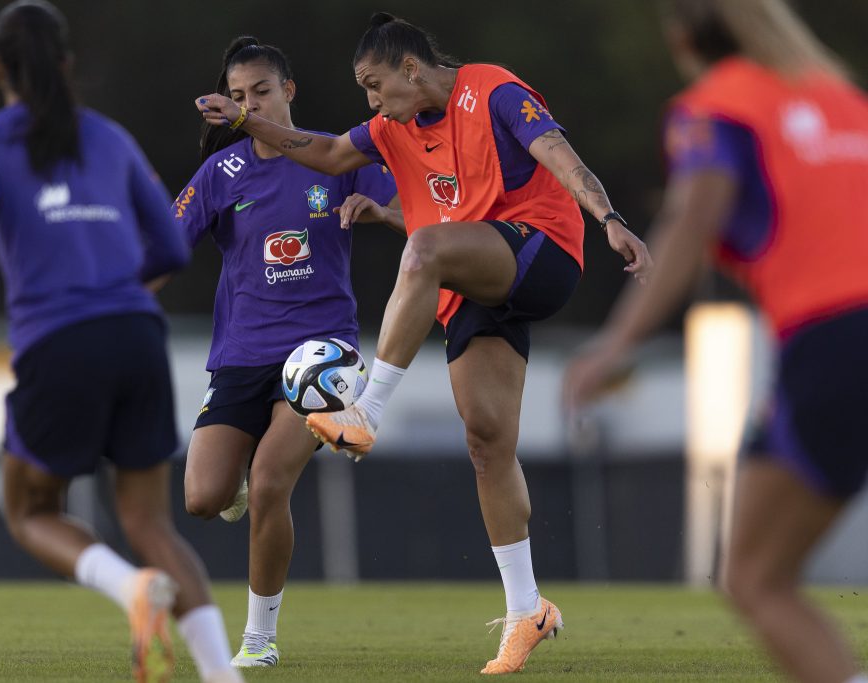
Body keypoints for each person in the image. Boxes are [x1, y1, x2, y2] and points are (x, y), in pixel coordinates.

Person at [195, 13, 652, 675]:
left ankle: (368, 409)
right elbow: (323, 152)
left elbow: (557, 151)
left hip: (542, 250)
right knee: (487, 440)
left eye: (376, 85)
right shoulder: (390, 129)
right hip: (476, 283)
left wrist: (606, 216)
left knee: (426, 247)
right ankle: (526, 607)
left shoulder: (490, 90)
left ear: (412, 68)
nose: (371, 103)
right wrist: (248, 124)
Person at [0, 3, 243, 682]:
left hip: (59, 343)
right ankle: (222, 675)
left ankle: (131, 589)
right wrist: (118, 287)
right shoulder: (109, 136)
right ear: (67, 65)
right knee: (151, 525)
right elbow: (174, 243)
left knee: (30, 509)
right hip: (139, 335)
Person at [563, 1, 868, 682]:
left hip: (836, 340)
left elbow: (687, 227)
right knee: (762, 573)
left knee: (756, 577)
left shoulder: (717, 105)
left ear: (681, 39)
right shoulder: (842, 97)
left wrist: (615, 344)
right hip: (842, 340)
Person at [173, 36, 398, 669]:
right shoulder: (221, 173)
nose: (249, 105)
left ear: (289, 91)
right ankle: (236, 483)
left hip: (320, 353)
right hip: (242, 355)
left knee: (272, 482)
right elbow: (166, 244)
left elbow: (414, 209)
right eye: (238, 97)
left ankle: (260, 639)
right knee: (202, 498)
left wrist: (380, 210)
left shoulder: (336, 156)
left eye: (261, 92)